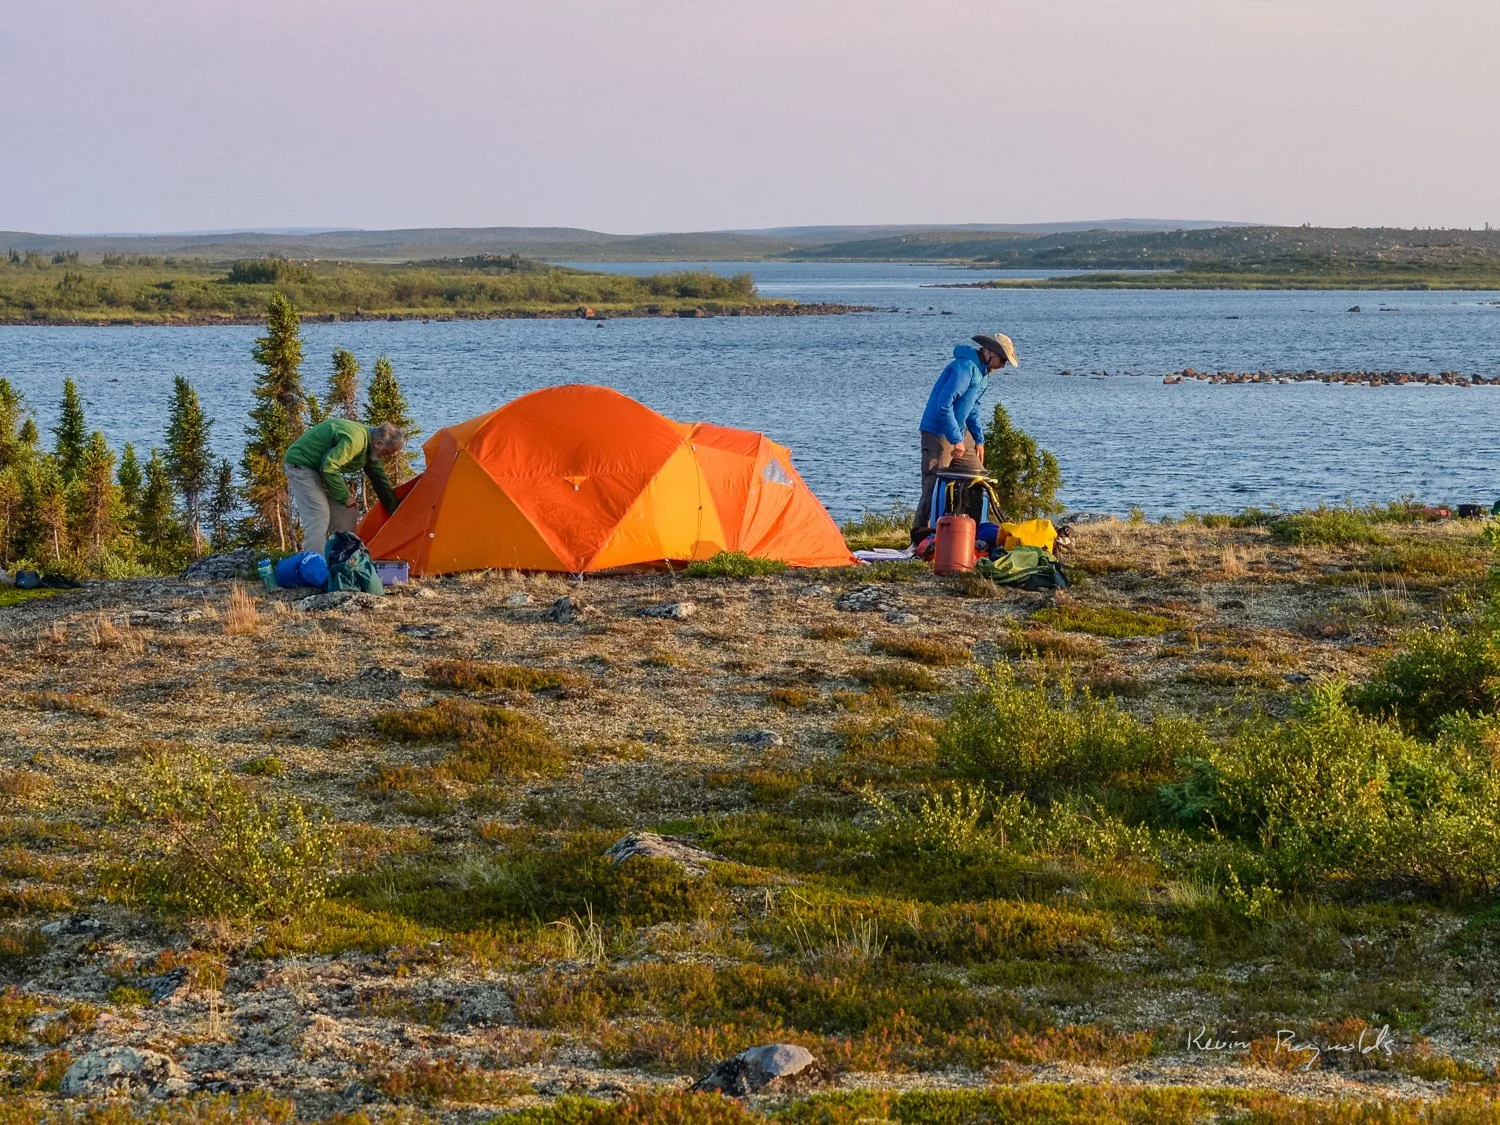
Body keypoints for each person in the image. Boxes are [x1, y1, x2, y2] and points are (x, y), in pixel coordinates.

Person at [912, 332, 1019, 543]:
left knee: (978, 477)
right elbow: (944, 405)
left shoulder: (982, 374)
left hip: (960, 433)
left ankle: (968, 530)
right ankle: (919, 538)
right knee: (932, 485)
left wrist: (979, 439)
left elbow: (973, 408)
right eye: (1002, 359)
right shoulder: (965, 368)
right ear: (988, 352)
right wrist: (954, 439)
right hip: (938, 434)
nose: (1003, 365)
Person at [283, 419, 404, 554]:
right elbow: (329, 467)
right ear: (379, 443)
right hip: (301, 465)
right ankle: (314, 567)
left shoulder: (371, 446)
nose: (386, 457)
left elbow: (379, 480)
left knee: (347, 509)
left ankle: (341, 558)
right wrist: (344, 496)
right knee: (319, 514)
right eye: (387, 453)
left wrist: (396, 511)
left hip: (321, 468)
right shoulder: (355, 441)